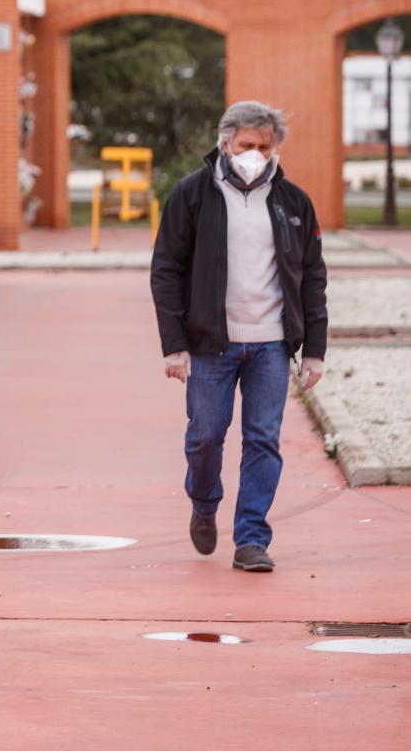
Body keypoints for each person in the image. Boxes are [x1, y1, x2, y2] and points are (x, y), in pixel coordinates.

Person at [151, 101, 328, 573]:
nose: (255, 154)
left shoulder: (293, 202)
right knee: (205, 436)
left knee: (263, 440)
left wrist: (315, 350)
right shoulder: (192, 195)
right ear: (225, 142)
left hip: (271, 344)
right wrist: (174, 344)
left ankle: (251, 538)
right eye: (247, 146)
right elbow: (166, 270)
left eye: (265, 147)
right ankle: (204, 502)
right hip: (212, 343)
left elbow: (312, 276)